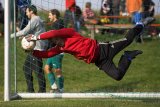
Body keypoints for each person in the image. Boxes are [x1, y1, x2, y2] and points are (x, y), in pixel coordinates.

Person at [26, 17, 155, 81]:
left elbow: (52, 33)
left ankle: (140, 24)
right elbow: (48, 53)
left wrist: (36, 37)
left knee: (127, 39)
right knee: (117, 76)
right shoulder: (61, 48)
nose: (55, 41)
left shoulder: (70, 33)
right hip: (100, 61)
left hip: (104, 49)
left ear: (59, 35)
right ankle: (127, 56)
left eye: (56, 39)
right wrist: (33, 52)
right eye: (53, 41)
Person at [11, 5, 48, 92]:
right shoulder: (37, 19)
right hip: (34, 48)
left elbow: (25, 31)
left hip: (37, 48)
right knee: (26, 67)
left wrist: (11, 36)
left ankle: (42, 91)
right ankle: (30, 90)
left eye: (27, 11)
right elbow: (32, 33)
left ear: (31, 11)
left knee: (38, 70)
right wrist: (24, 36)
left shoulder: (35, 20)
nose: (26, 13)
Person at [44, 9, 64, 93]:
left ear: (54, 15)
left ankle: (61, 89)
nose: (48, 17)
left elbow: (55, 37)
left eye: (50, 15)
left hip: (57, 50)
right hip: (52, 50)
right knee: (47, 68)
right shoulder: (55, 24)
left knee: (57, 70)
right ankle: (54, 87)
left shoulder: (58, 23)